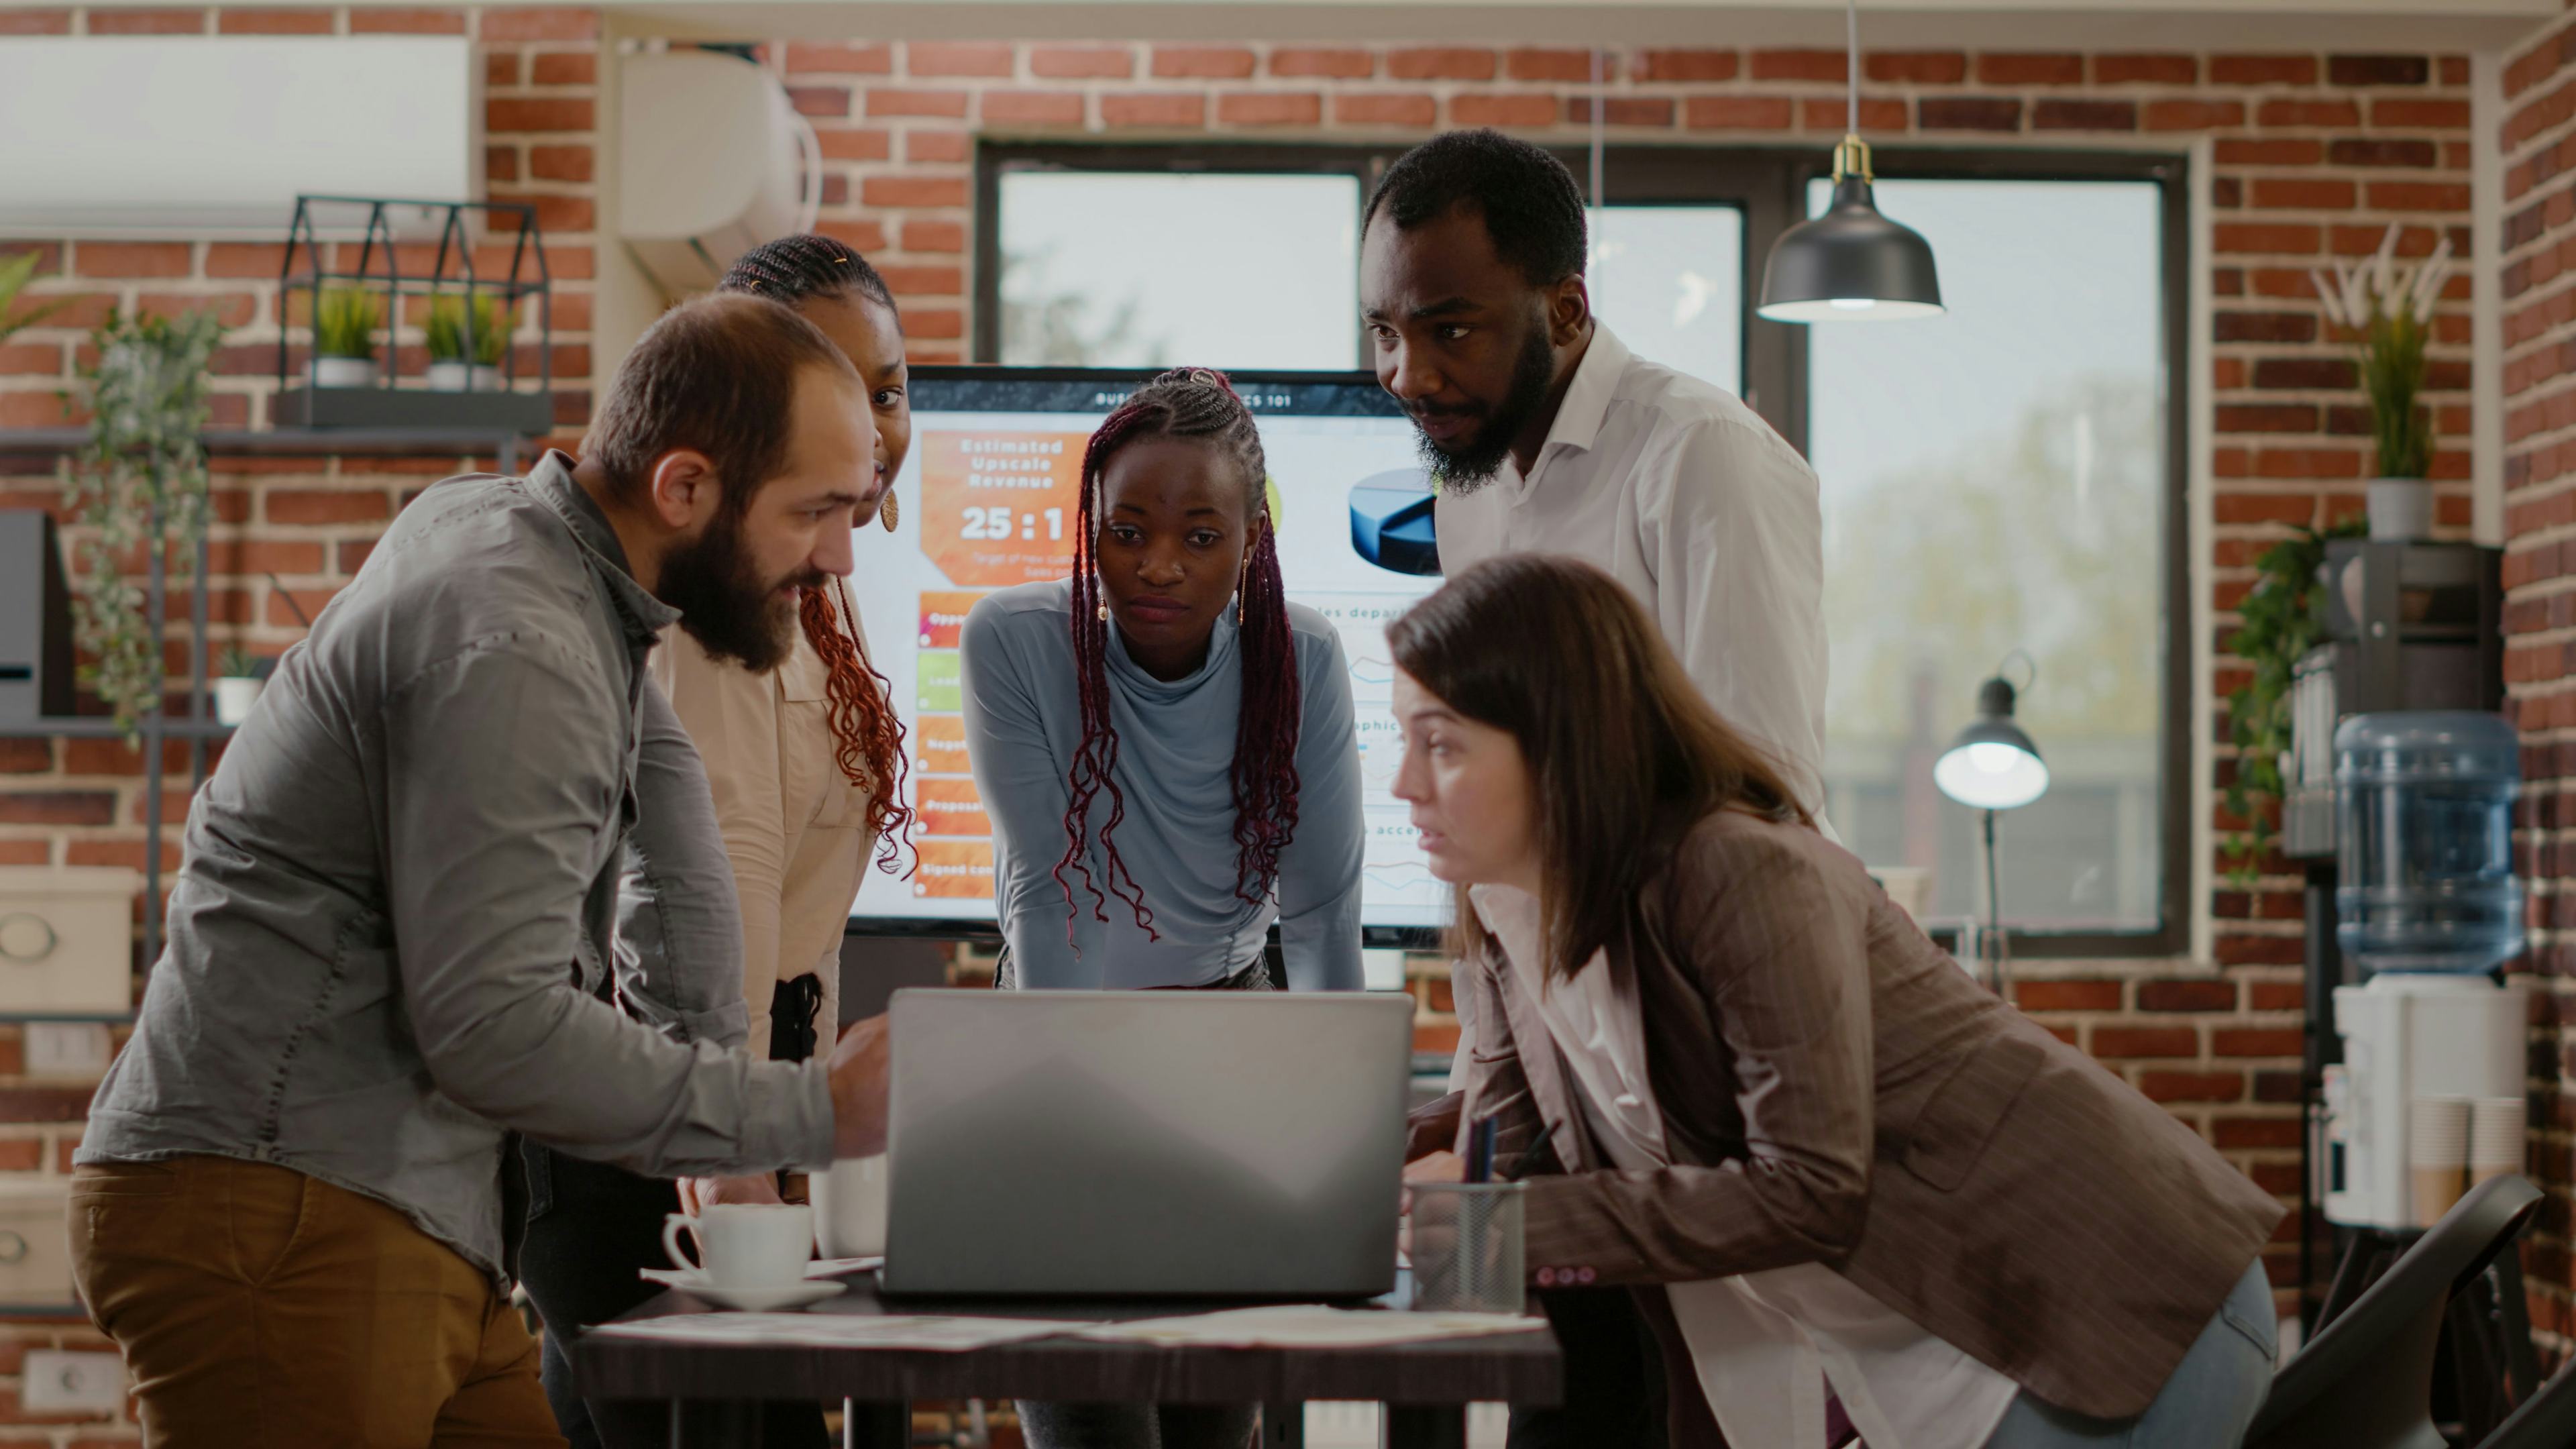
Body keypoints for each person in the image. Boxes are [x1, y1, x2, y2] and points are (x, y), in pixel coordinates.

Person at [70, 293, 894, 1447]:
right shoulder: (519, 641)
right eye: (815, 512)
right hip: (283, 1203)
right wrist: (810, 1113)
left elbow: (676, 833)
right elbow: (494, 1025)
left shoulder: (549, 568)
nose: (839, 554)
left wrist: (728, 1139)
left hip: (397, 1211)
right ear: (687, 487)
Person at [1389, 554, 2283, 1449]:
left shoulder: (1737, 871)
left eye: (1442, 744)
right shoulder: (1507, 917)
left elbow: (1813, 1189)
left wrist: (1493, 1223)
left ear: (1560, 741)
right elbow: (1506, 1162)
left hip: (2101, 1305)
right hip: (1935, 1342)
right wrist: (1386, 1189)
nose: (1405, 784)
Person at [1360, 127, 1834, 1448]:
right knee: (1526, 1408)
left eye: (1447, 328)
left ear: (1565, 307)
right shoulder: (1472, 488)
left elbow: (1764, 810)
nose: (1409, 373)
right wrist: (1477, 1090)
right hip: (1549, 1071)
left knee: (1710, 1423)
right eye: (1386, 332)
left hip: (1678, 1077)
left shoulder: (1704, 461)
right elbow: (1488, 831)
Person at [515, 237, 919, 1449]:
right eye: (833, 387)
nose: (872, 423)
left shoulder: (807, 564)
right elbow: (707, 896)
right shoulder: (711, 598)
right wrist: (739, 1166)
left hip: (735, 1112)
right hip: (668, 1139)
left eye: (890, 388)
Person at [958, 368, 1364, 1449]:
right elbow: (1053, 892)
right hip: (1056, 1051)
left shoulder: (1306, 660)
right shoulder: (1014, 642)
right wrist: (1086, 1115)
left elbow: (1321, 917)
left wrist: (1340, 1145)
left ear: (1252, 537)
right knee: (1088, 1413)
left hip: (1227, 1053)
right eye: (1128, 531)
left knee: (1212, 1421)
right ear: (1090, 526)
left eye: (1199, 533)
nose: (1159, 567)